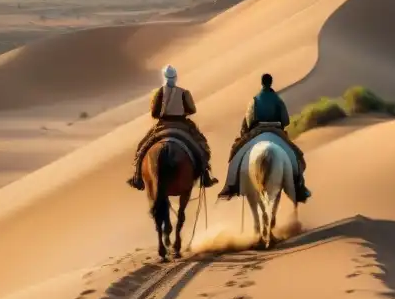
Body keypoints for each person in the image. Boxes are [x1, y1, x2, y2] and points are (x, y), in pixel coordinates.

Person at [218, 73, 311, 202]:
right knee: (296, 155)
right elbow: (286, 120)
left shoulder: (254, 100)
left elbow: (249, 121)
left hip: (257, 130)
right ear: (271, 83)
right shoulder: (277, 100)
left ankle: (231, 185)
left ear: (262, 83)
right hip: (276, 130)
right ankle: (300, 187)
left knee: (236, 151)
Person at [126, 64, 218, 191]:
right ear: (175, 77)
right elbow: (192, 109)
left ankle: (137, 177)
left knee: (142, 147)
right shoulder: (184, 93)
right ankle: (206, 175)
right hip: (182, 124)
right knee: (202, 145)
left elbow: (154, 113)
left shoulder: (158, 93)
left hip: (163, 124)